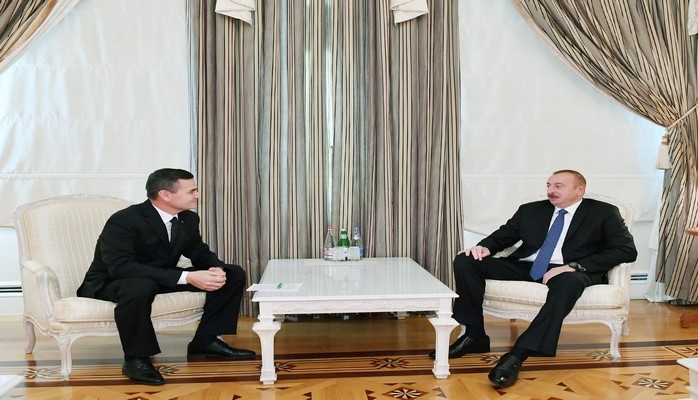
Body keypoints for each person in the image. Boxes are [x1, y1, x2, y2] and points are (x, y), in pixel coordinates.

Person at [429, 169, 637, 388]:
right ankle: (474, 335)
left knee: (570, 282)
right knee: (466, 260)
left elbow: (626, 250)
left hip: (571, 271)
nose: (551, 190)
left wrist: (574, 266)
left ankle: (518, 354)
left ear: (580, 190)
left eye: (558, 186)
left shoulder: (604, 212)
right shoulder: (531, 210)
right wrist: (484, 248)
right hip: (528, 267)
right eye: (549, 185)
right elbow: (503, 236)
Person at [77, 168, 255, 385]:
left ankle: (206, 341)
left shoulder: (188, 219)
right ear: (165, 195)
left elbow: (198, 252)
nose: (197, 195)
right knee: (140, 286)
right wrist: (187, 277)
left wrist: (216, 268)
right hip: (114, 282)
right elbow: (122, 267)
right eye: (192, 191)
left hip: (158, 279)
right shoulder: (124, 220)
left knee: (232, 274)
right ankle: (136, 359)